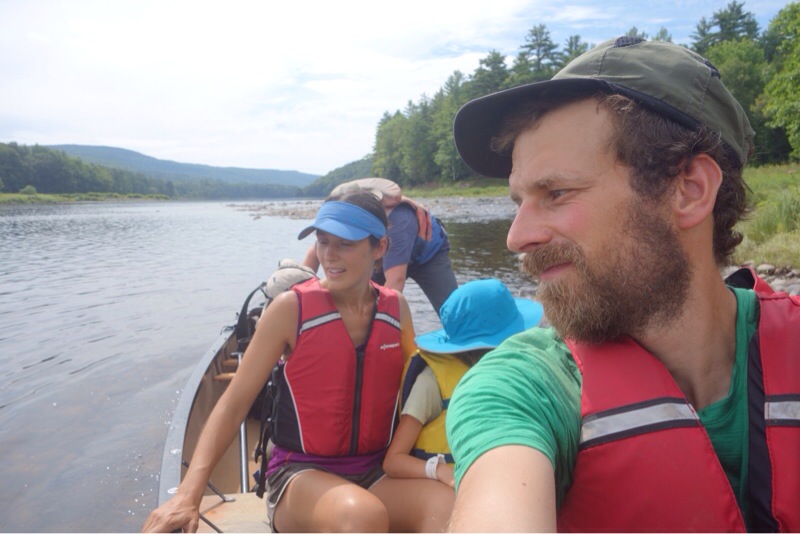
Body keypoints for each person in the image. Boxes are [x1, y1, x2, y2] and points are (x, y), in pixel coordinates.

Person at [446, 37, 800, 532]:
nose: (517, 237)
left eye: (556, 193)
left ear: (689, 190)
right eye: (519, 202)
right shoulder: (525, 388)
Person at [143, 191, 453, 533]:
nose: (329, 255)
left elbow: (420, 386)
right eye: (323, 241)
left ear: (379, 248)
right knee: (362, 515)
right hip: (299, 474)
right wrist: (188, 495)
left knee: (448, 505)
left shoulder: (396, 309)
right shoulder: (290, 309)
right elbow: (233, 405)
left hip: (376, 471)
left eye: (345, 244)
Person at [383, 278, 542, 489]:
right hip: (448, 487)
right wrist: (439, 471)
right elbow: (393, 460)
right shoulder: (431, 383)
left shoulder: (516, 370)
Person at [303, 178, 458, 315]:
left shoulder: (399, 220)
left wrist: (379, 325)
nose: (329, 254)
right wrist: (301, 298)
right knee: (359, 296)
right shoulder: (341, 223)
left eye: (345, 243)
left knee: (453, 312)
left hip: (427, 257)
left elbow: (395, 282)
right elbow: (313, 255)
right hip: (382, 254)